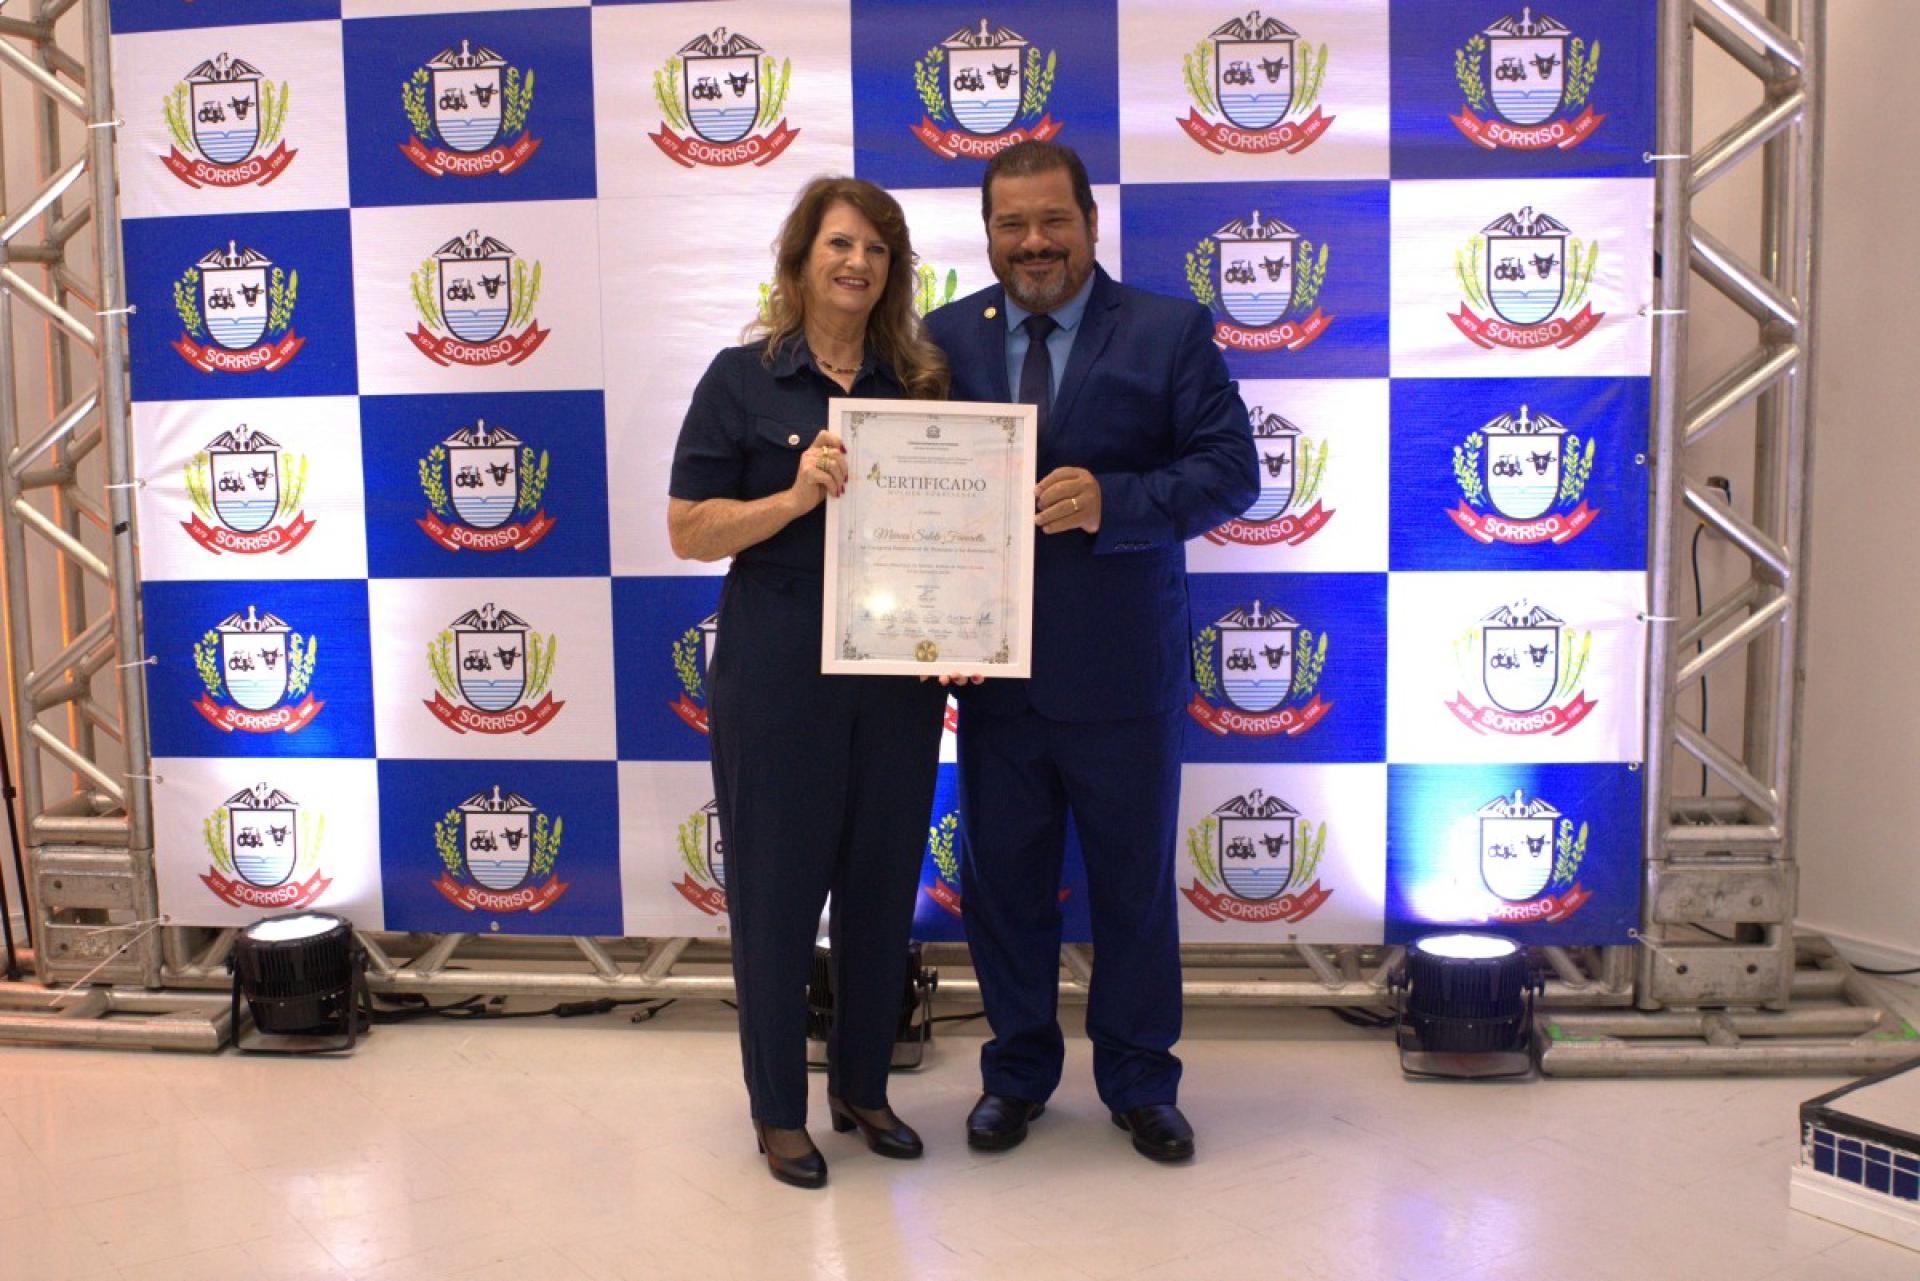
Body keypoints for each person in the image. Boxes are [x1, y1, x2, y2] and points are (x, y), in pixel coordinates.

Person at [925, 141, 1258, 1163]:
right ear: (988, 234)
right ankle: (1016, 1074)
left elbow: (1231, 473)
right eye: (1012, 224)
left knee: (1133, 890)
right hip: (992, 678)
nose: (1034, 242)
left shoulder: (1169, 329)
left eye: (1052, 221)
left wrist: (1114, 501)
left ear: (1090, 223)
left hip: (1123, 674)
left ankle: (1141, 1081)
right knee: (1005, 891)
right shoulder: (943, 337)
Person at [666, 177, 950, 1189]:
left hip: (896, 675)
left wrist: (974, 618)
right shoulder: (740, 379)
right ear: (799, 261)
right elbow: (689, 529)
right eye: (839, 243)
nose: (857, 263)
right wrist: (791, 498)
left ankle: (863, 1088)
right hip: (779, 670)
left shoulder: (921, 386)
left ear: (893, 271)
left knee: (881, 889)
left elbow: (958, 531)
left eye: (876, 249)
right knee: (776, 900)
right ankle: (779, 1110)